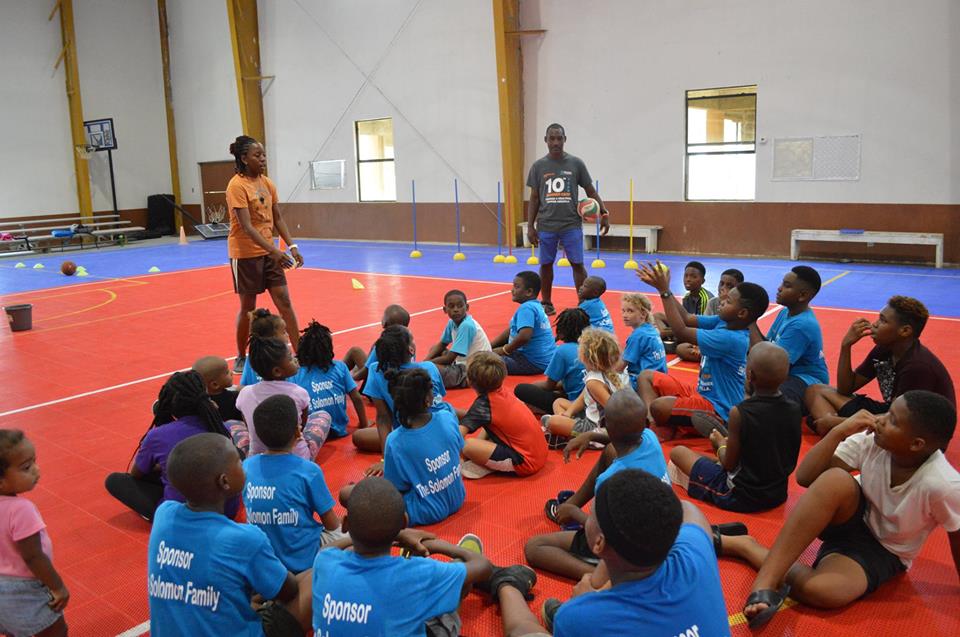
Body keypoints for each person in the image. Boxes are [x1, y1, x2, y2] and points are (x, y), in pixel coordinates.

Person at [721, 391, 960, 629]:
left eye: (893, 421)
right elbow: (805, 477)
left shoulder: (943, 484)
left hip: (884, 551)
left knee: (822, 592)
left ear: (916, 444)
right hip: (849, 517)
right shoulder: (872, 440)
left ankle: (744, 546)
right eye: (887, 412)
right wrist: (839, 431)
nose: (880, 419)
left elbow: (957, 534)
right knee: (834, 479)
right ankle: (765, 581)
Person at [281, 477, 537, 637]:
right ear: (404, 522)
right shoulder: (415, 573)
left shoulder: (325, 562)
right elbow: (482, 566)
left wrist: (396, 536)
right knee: (454, 586)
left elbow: (331, 549)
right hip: (417, 577)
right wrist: (436, 544)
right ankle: (456, 581)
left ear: (346, 524)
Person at [534, 470, 731, 636]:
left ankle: (514, 589)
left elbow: (580, 619)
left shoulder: (576, 618)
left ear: (599, 542)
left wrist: (586, 603)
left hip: (585, 620)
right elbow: (687, 507)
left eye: (592, 511)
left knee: (526, 629)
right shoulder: (696, 552)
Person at [147, 433, 299, 636]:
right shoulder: (246, 538)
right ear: (224, 481)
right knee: (310, 578)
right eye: (238, 461)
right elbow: (288, 591)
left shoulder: (164, 515)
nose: (243, 464)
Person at [525, 391, 669, 582]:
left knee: (534, 547)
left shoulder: (612, 482)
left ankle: (602, 577)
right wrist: (592, 435)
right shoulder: (650, 436)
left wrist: (575, 514)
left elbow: (605, 533)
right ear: (646, 423)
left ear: (604, 424)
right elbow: (622, 437)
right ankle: (570, 504)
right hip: (661, 533)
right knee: (610, 450)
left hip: (631, 549)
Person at [636, 261, 769, 438]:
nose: (722, 301)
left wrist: (664, 291)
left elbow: (681, 331)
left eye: (728, 301)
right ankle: (657, 425)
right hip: (702, 395)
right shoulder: (724, 321)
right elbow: (687, 318)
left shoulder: (731, 338)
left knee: (658, 406)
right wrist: (665, 289)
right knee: (646, 376)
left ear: (742, 313)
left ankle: (659, 429)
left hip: (718, 409)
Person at [668, 342, 802, 512]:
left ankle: (698, 485)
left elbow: (728, 464)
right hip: (778, 493)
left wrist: (719, 443)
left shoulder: (740, 413)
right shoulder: (794, 409)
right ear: (785, 375)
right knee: (703, 458)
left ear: (749, 374)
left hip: (740, 495)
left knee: (678, 453)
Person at [804, 296, 955, 435]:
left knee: (825, 419)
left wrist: (836, 421)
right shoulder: (884, 349)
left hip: (918, 430)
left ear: (905, 331)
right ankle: (839, 431)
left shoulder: (917, 366)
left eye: (883, 321)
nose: (874, 324)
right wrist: (846, 346)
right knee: (815, 391)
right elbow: (846, 388)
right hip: (891, 411)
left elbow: (901, 419)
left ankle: (836, 430)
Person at [105, 371, 240, 521]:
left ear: (169, 406)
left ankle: (158, 513)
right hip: (227, 510)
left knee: (115, 480)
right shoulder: (219, 426)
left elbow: (136, 474)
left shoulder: (157, 436)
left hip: (180, 515)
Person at [226, 135, 302, 375]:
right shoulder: (236, 186)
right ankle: (241, 355)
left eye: (264, 155)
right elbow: (247, 227)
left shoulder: (267, 183)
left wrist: (292, 246)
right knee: (248, 308)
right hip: (246, 254)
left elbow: (277, 217)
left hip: (270, 253)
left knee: (285, 302)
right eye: (257, 155)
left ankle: (300, 352)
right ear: (244, 158)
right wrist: (275, 251)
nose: (263, 159)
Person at [242, 395, 340, 574]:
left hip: (264, 562)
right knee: (353, 536)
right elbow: (332, 524)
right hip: (306, 560)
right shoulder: (309, 471)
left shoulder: (246, 467)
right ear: (297, 432)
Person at [525, 123, 610, 316]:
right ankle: (546, 303)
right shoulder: (538, 167)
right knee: (546, 264)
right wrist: (530, 226)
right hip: (546, 225)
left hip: (571, 224)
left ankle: (584, 304)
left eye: (559, 138)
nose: (556, 142)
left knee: (577, 264)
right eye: (552, 138)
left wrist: (604, 213)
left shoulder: (576, 164)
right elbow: (534, 198)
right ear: (546, 140)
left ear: (565, 139)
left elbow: (591, 191)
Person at [354, 326, 455, 475]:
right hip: (438, 429)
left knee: (358, 437)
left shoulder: (376, 371)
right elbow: (437, 405)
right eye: (412, 339)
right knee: (449, 412)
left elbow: (383, 418)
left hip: (411, 431)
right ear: (411, 350)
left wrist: (385, 459)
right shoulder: (429, 368)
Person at [0, 430, 69, 637]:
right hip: (24, 589)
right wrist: (58, 587)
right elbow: (33, 556)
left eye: (34, 462)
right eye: (26, 467)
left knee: (14, 630)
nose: (36, 470)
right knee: (56, 631)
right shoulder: (21, 509)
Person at [382, 368, 466, 526]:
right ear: (428, 399)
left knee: (354, 494)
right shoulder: (447, 417)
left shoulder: (394, 441)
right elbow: (459, 451)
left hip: (426, 511)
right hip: (457, 497)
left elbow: (396, 488)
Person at [235, 335, 330, 459]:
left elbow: (248, 426)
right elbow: (301, 427)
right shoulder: (298, 392)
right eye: (290, 358)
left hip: (258, 457)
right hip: (297, 457)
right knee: (323, 415)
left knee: (233, 424)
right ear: (277, 371)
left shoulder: (245, 392)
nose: (295, 359)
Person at [458, 352, 548, 479]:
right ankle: (485, 459)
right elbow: (486, 423)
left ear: (469, 381)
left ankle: (487, 464)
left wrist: (457, 459)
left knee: (467, 446)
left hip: (526, 463)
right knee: (488, 427)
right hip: (540, 452)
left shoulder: (484, 404)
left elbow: (457, 435)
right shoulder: (502, 392)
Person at [752, 266, 829, 407]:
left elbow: (772, 364)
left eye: (787, 286)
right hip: (786, 372)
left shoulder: (801, 325)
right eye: (782, 283)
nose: (779, 288)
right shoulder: (785, 312)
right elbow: (766, 345)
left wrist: (749, 321)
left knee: (769, 396)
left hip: (807, 380)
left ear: (802, 295)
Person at [542, 329, 629, 445]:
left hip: (596, 427)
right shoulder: (604, 373)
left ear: (586, 357)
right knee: (558, 402)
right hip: (591, 414)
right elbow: (583, 397)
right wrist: (569, 413)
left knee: (550, 421)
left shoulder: (594, 382)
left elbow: (614, 410)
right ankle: (566, 432)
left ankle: (583, 438)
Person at [290, 320, 369, 440]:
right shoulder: (340, 367)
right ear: (329, 348)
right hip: (339, 430)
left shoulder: (295, 373)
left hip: (311, 433)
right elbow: (357, 398)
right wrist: (364, 424)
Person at [514, 308, 590, 416]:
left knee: (521, 389)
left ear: (561, 332)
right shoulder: (592, 347)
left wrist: (532, 385)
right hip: (592, 400)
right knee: (560, 388)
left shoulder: (563, 350)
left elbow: (548, 385)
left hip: (576, 404)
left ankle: (545, 409)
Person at [491, 271, 557, 375]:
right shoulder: (537, 306)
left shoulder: (526, 308)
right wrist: (490, 346)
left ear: (529, 292)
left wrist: (504, 350)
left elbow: (524, 337)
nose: (512, 290)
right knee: (488, 352)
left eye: (516, 287)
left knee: (484, 361)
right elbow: (511, 330)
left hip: (531, 362)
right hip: (544, 360)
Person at [424, 289, 492, 389]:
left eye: (460, 306)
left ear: (467, 307)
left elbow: (449, 359)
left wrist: (426, 365)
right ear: (445, 309)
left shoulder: (467, 325)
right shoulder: (452, 323)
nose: (456, 309)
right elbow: (442, 344)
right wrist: (425, 361)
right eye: (451, 306)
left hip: (476, 370)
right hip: (464, 362)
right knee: (434, 350)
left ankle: (465, 380)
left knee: (431, 371)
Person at [677, 268, 743, 362]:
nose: (723, 288)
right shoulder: (712, 303)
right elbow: (696, 323)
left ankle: (708, 356)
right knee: (681, 348)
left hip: (725, 344)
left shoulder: (740, 309)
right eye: (721, 283)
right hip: (710, 339)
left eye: (729, 286)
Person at [343, 304, 410, 384]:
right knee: (359, 356)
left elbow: (366, 372)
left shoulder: (382, 345)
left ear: (384, 323)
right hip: (400, 379)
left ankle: (335, 375)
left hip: (381, 381)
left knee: (355, 351)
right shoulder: (410, 344)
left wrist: (351, 378)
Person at [653, 261, 713, 350]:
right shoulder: (687, 297)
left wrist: (668, 331)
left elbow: (701, 327)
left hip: (699, 332)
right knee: (657, 316)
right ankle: (668, 337)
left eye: (693, 276)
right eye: (686, 276)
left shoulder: (705, 298)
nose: (688, 279)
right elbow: (682, 318)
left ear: (702, 281)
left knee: (677, 345)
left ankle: (667, 338)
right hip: (687, 326)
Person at [616, 293, 667, 389]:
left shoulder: (638, 336)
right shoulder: (652, 329)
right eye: (623, 311)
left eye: (630, 311)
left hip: (642, 383)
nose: (625, 315)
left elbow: (620, 367)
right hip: (660, 379)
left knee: (598, 379)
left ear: (643, 314)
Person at [238, 308, 289, 386]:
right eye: (284, 332)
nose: (288, 335)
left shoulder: (251, 357)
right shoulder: (284, 358)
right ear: (272, 338)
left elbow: (242, 386)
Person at [192, 356, 242, 422]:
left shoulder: (195, 402)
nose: (231, 373)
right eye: (227, 372)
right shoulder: (235, 397)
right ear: (215, 385)